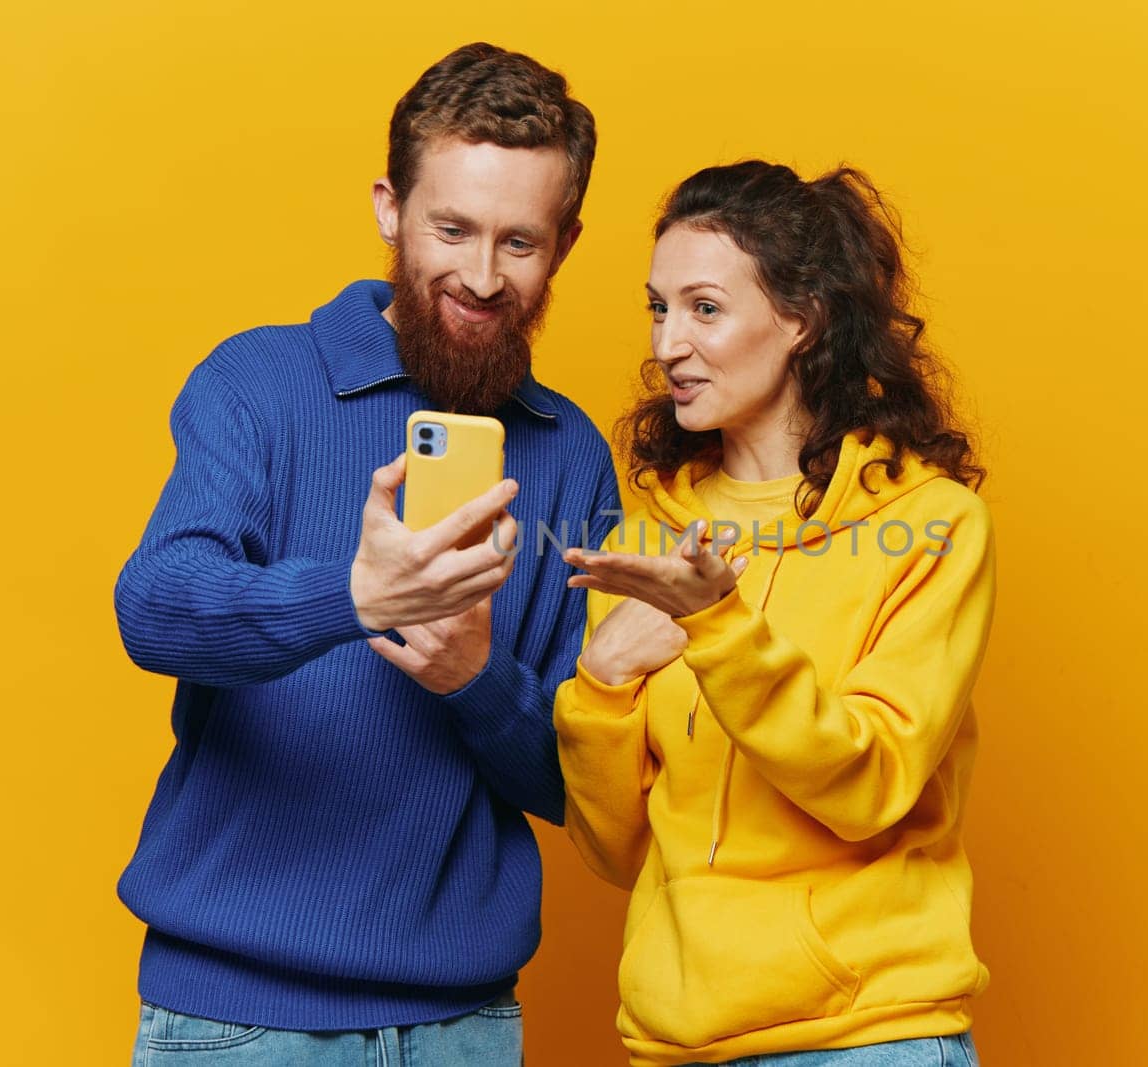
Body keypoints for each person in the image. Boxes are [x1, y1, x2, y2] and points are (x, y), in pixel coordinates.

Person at [114, 43, 617, 1065]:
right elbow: (155, 607)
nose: (482, 276)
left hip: (464, 1026)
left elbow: (576, 779)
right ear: (390, 208)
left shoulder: (570, 454)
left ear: (564, 242)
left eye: (519, 242)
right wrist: (352, 593)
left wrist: (476, 678)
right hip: (234, 1022)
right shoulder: (257, 380)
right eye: (452, 229)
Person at [554, 160, 996, 1067]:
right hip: (679, 1042)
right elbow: (615, 846)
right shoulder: (651, 537)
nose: (669, 342)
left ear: (802, 319)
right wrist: (597, 687)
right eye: (658, 308)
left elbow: (867, 785)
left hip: (867, 1036)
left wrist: (718, 625)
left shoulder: (932, 524)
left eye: (705, 308)